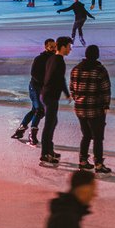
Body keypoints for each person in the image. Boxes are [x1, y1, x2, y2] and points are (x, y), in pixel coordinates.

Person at [70, 45, 111, 174]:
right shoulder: (99, 70)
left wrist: (77, 99)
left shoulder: (76, 69)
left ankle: (83, 161)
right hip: (95, 109)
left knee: (86, 135)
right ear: (97, 55)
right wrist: (106, 105)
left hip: (80, 109)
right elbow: (105, 90)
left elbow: (72, 88)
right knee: (98, 137)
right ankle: (98, 164)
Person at [14, 39, 56, 145]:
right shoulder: (39, 59)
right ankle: (32, 135)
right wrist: (44, 83)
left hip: (44, 89)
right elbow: (34, 73)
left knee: (34, 110)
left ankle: (21, 129)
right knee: (39, 110)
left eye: (54, 46)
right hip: (36, 88)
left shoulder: (55, 59)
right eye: (51, 46)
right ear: (46, 47)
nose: (53, 48)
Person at [39, 37, 72, 168]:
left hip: (46, 94)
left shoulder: (52, 58)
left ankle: (49, 150)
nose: (70, 49)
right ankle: (44, 154)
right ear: (63, 47)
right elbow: (60, 80)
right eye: (69, 46)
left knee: (53, 122)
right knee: (49, 124)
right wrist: (67, 93)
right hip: (50, 96)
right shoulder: (58, 61)